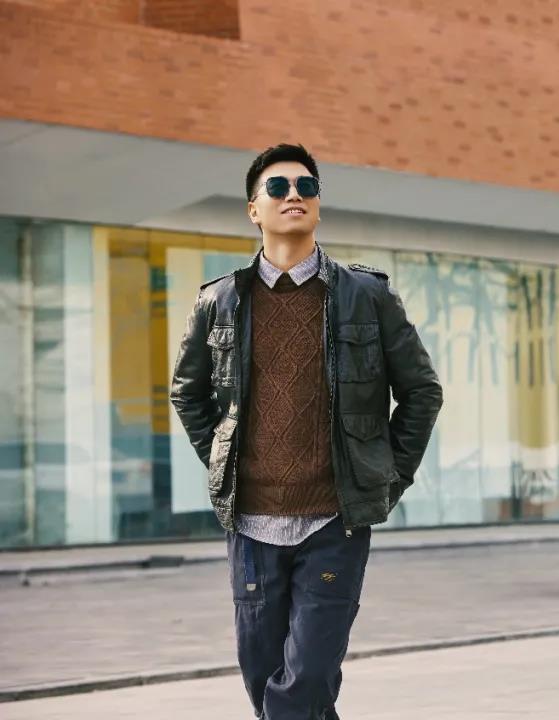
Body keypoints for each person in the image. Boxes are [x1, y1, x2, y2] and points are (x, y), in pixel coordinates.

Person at [170, 143, 442, 719]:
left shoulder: (367, 296)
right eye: (278, 187)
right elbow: (187, 393)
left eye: (306, 186)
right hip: (251, 524)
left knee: (305, 681)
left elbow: (422, 391)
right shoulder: (219, 301)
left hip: (334, 521)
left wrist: (386, 478)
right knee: (264, 678)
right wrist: (224, 460)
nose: (294, 195)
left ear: (317, 204)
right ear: (254, 209)